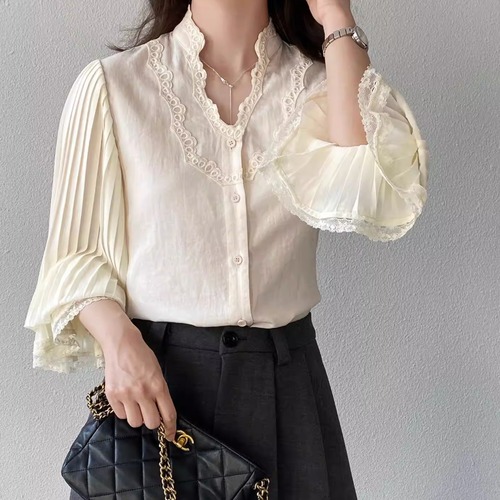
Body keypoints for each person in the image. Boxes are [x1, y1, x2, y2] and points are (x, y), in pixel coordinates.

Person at [23, 0, 428, 498]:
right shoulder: (115, 86)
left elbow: (377, 188)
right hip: (158, 388)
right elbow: (73, 256)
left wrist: (336, 19)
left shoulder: (322, 86)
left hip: (285, 388)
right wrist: (119, 343)